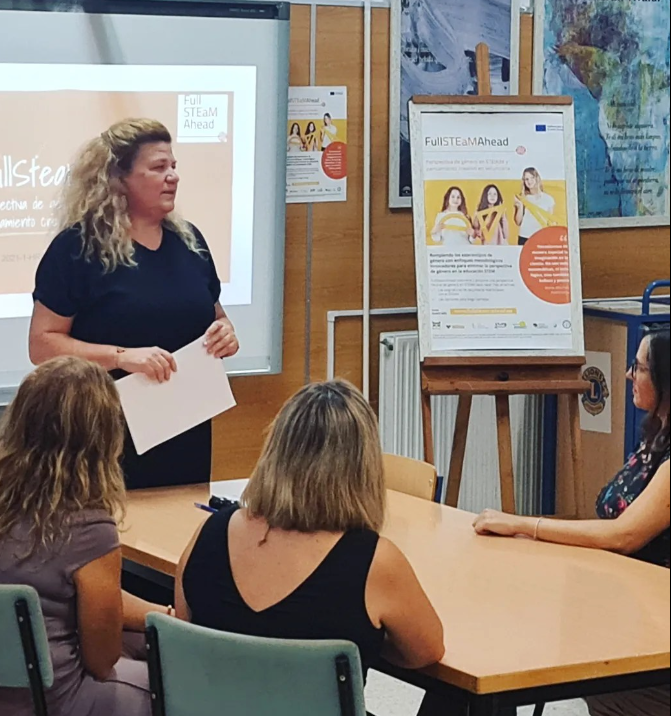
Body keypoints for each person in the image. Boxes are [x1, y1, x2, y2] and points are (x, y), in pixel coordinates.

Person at [175, 379, 445, 681]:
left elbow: (183, 631)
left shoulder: (209, 532)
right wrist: (363, 642)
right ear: (364, 467)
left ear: (275, 451)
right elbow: (426, 651)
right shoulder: (375, 562)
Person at [0, 357, 166, 716]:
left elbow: (81, 595)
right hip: (44, 700)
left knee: (143, 641)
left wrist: (164, 615)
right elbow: (102, 661)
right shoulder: (89, 529)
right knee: (177, 683)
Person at [28, 118, 238, 491]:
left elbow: (215, 316)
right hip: (104, 430)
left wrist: (225, 332)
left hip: (185, 428)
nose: (173, 176)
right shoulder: (78, 248)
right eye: (158, 167)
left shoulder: (189, 242)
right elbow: (42, 345)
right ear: (118, 178)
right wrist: (122, 357)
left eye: (173, 166)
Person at [474, 327, 670, 716]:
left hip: (652, 632)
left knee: (525, 646)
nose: (629, 374)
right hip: (622, 606)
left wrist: (525, 525)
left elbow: (623, 535)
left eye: (639, 367)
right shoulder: (656, 435)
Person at [513, 167, 556, 245]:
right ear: (524, 181)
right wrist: (520, 206)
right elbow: (518, 222)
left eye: (532, 177)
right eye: (526, 179)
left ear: (537, 178)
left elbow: (550, 222)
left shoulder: (548, 199)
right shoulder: (522, 198)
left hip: (541, 237)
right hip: (524, 237)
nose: (529, 181)